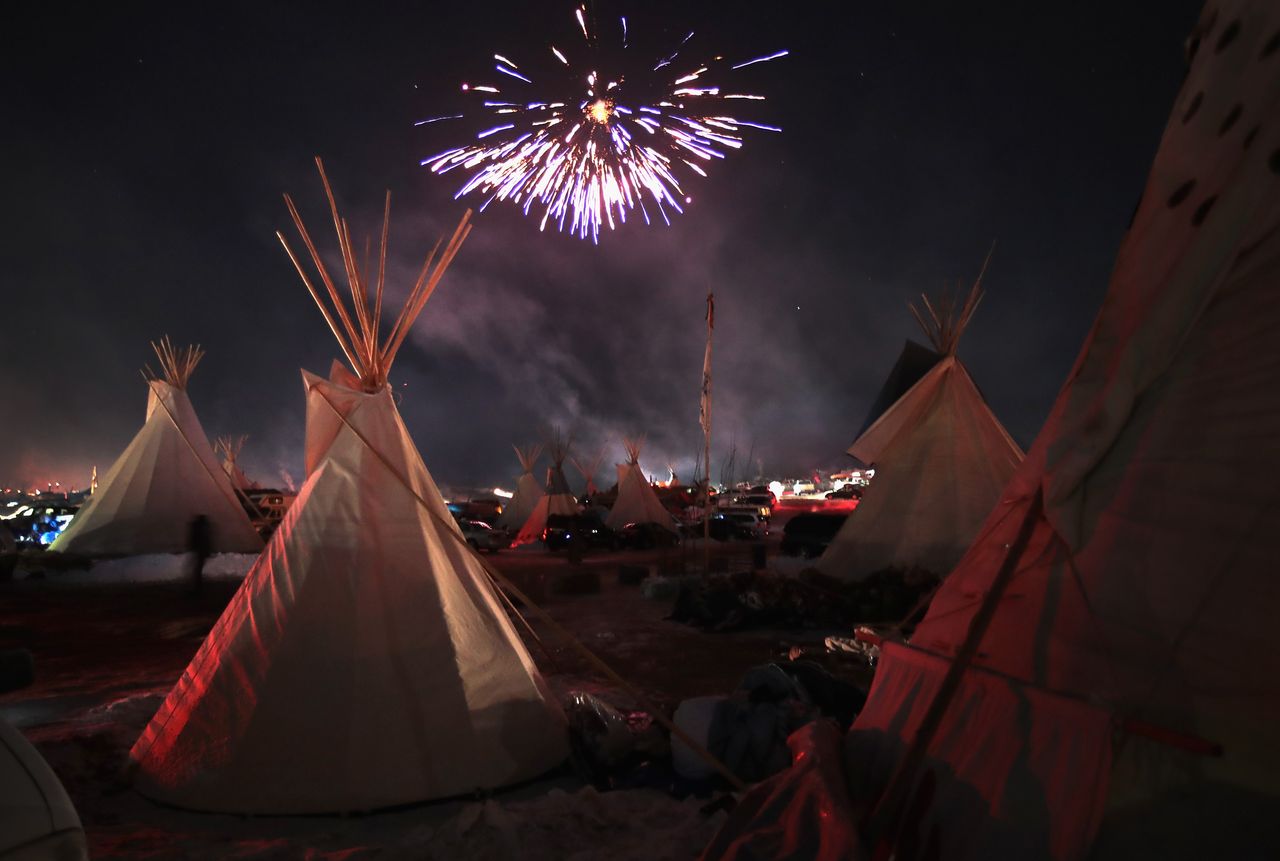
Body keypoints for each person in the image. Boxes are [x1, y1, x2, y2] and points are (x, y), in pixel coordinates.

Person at [187, 514, 212, 595]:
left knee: (197, 568)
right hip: (202, 551)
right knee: (198, 568)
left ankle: (197, 586)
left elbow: (194, 539)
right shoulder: (205, 529)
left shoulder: (197, 528)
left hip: (199, 551)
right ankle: (198, 585)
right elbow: (206, 541)